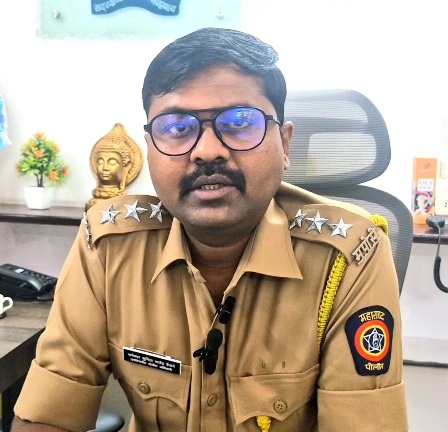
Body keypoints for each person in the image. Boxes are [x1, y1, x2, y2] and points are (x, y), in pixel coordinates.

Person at [12, 27, 408, 431]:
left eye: (240, 122)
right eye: (177, 128)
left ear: (285, 144)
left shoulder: (348, 255)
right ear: (150, 148)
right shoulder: (108, 244)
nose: (207, 151)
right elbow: (47, 417)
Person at [87, 122, 143, 209]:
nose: (105, 168)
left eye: (112, 162)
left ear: (125, 167)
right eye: (100, 162)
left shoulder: (123, 204)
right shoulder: (93, 201)